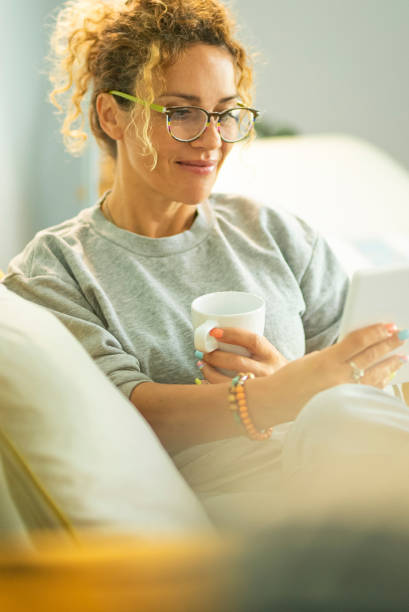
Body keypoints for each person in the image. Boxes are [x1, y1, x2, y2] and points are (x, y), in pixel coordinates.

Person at [2, 0, 409, 527]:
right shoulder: (55, 270)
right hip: (245, 513)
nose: (213, 139)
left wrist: (296, 383)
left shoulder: (276, 234)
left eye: (225, 112)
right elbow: (128, 413)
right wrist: (277, 396)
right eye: (181, 112)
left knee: (340, 416)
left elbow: (369, 390)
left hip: (348, 482)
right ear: (111, 114)